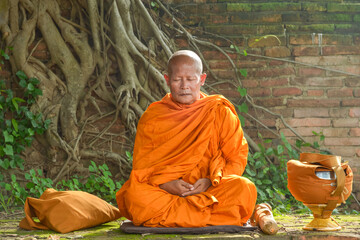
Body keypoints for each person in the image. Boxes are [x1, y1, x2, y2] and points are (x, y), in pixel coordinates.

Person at [116, 50, 257, 227]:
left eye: (190, 79)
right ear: (167, 80)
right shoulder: (154, 117)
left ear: (202, 79)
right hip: (166, 192)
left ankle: (177, 218)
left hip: (209, 189)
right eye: (177, 80)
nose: (184, 86)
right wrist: (166, 184)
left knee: (244, 188)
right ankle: (209, 218)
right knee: (134, 196)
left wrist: (209, 182)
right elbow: (142, 168)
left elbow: (236, 159)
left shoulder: (219, 112)